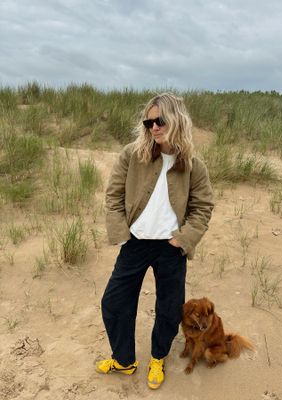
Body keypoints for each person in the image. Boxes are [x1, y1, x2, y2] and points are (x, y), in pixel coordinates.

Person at [96, 92, 214, 389]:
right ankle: (124, 360)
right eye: (149, 122)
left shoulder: (192, 165)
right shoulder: (131, 154)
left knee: (169, 308)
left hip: (171, 248)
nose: (154, 127)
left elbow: (203, 207)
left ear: (176, 119)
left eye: (159, 120)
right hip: (134, 242)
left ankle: (158, 357)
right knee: (114, 302)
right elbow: (113, 196)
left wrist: (184, 238)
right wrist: (121, 232)